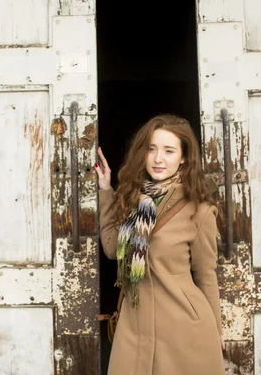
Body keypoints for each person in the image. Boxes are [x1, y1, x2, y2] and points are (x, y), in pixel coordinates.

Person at [94, 114, 225, 375]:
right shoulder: (132, 200)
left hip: (182, 327)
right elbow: (111, 249)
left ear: (184, 157)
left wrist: (217, 332)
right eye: (151, 149)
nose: (158, 159)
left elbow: (206, 275)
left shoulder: (198, 209)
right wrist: (106, 190)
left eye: (168, 150)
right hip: (134, 323)